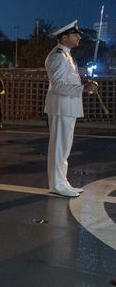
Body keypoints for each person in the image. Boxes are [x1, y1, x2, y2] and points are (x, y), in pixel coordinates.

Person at [45, 20, 97, 197]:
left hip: (66, 107)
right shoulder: (58, 56)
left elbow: (66, 82)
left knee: (63, 148)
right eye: (76, 34)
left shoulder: (65, 55)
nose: (79, 37)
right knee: (60, 147)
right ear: (65, 37)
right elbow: (58, 85)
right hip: (61, 107)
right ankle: (57, 185)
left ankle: (61, 182)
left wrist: (83, 86)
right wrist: (82, 88)